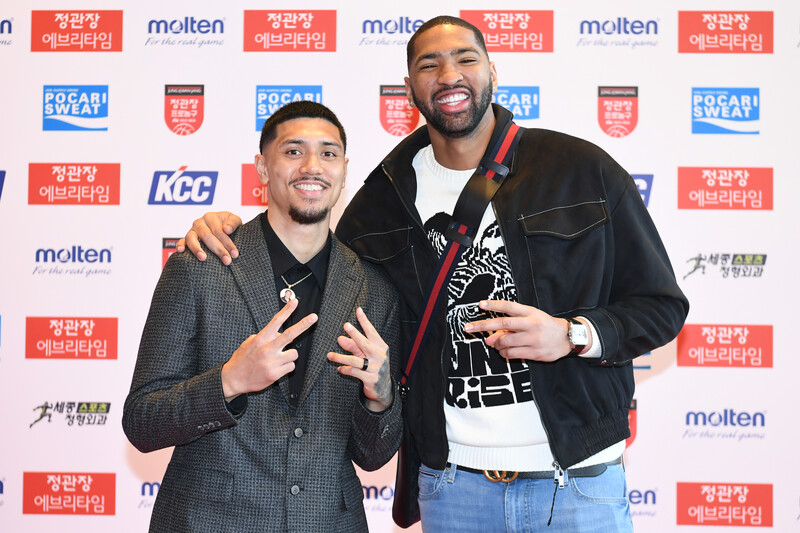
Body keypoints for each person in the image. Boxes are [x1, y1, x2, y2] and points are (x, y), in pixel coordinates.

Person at [178, 16, 689, 532]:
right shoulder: (382, 200)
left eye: (466, 58)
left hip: (578, 484)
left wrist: (572, 334)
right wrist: (225, 228)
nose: (449, 75)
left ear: (492, 71)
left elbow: (662, 307)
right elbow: (310, 260)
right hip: (454, 488)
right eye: (430, 64)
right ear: (409, 89)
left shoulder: (579, 169)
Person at [123, 101, 403, 533]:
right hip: (210, 523)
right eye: (293, 151)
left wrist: (380, 398)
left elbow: (373, 457)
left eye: (328, 153)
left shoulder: (375, 290)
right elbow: (143, 422)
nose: (312, 166)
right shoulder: (200, 265)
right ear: (262, 168)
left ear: (344, 171)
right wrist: (229, 381)